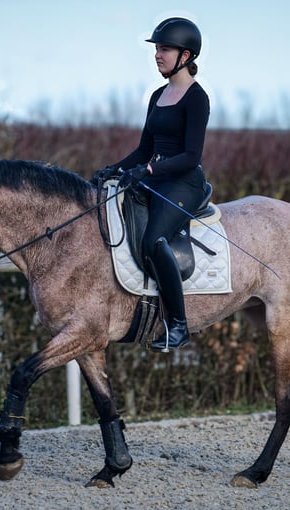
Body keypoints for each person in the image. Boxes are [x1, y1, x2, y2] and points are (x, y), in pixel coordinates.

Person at [93, 17, 211, 352]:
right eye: (157, 49)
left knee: (154, 240)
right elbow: (145, 149)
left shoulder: (196, 99)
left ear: (185, 56)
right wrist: (112, 169)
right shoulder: (158, 95)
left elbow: (191, 156)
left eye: (164, 49)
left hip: (183, 184)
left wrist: (146, 171)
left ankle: (178, 326)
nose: (157, 55)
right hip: (155, 178)